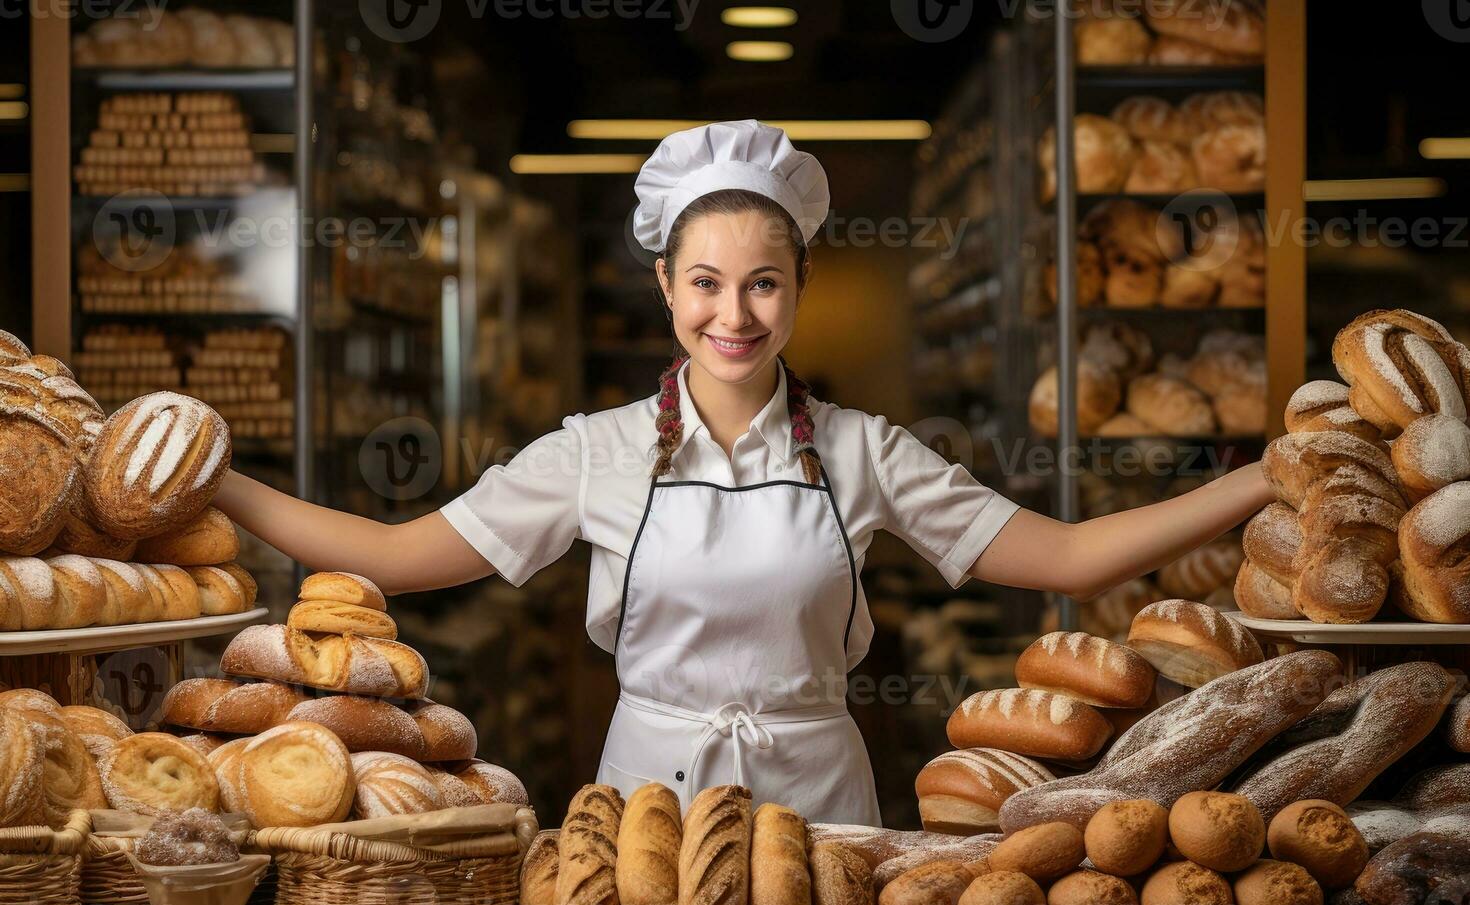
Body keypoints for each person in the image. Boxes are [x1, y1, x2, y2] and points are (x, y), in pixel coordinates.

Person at [215, 120, 1274, 825]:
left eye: (764, 283)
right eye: (708, 282)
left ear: (800, 283)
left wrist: (1262, 478)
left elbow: (1076, 553)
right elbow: (393, 557)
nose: (735, 315)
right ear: (665, 285)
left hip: (823, 808)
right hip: (648, 809)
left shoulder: (862, 449)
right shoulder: (596, 451)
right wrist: (213, 477)